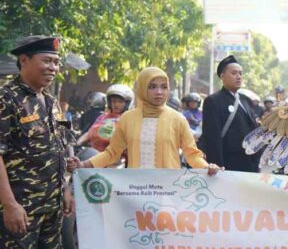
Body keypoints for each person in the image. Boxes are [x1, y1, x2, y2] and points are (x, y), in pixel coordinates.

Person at [0, 36, 79, 249]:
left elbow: (59, 150)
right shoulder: (6, 98)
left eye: (56, 62)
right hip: (19, 209)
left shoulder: (50, 103)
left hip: (49, 205)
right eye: (46, 61)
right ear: (24, 61)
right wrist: (10, 204)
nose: (52, 68)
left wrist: (64, 189)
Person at [77, 67, 218, 174]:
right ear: (143, 89)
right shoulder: (127, 118)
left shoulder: (177, 119)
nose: (159, 92)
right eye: (152, 87)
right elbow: (112, 153)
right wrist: (83, 165)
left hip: (168, 191)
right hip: (136, 192)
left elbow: (192, 155)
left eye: (163, 87)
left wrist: (208, 167)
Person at [200, 55, 261, 173]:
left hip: (249, 164)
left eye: (240, 73)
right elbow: (212, 137)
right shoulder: (214, 101)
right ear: (222, 76)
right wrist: (217, 165)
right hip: (228, 166)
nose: (239, 77)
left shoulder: (245, 100)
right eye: (234, 73)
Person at [76, 84, 133, 152]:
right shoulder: (102, 117)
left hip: (116, 158)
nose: (116, 104)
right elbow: (88, 134)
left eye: (120, 102)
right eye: (114, 101)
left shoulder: (128, 120)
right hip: (94, 156)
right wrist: (77, 144)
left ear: (127, 103)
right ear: (109, 102)